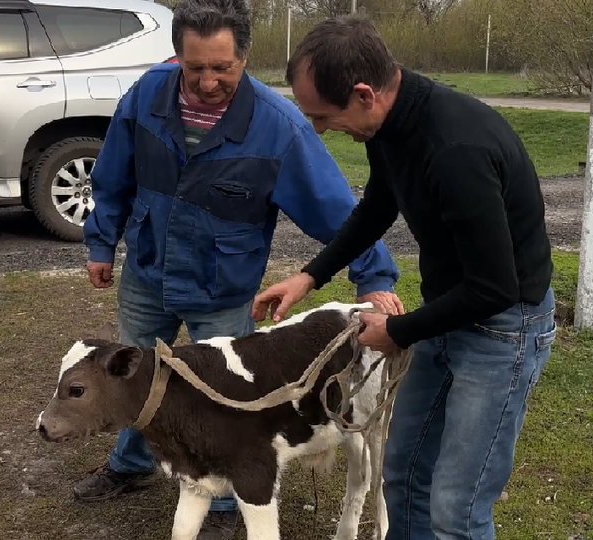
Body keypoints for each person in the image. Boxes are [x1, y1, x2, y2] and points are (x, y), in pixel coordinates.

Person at [79, 2, 404, 538]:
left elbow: (335, 209)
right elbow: (113, 173)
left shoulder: (278, 128)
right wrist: (100, 240)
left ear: (245, 58)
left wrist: (374, 277)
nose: (208, 81)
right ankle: (133, 465)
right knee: (134, 376)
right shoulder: (144, 98)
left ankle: (227, 502)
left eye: (222, 68)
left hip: (221, 286)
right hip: (148, 272)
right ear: (177, 55)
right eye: (195, 67)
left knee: (226, 398)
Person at [252, 16, 557, 540]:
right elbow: (377, 207)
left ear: (365, 93)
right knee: (405, 473)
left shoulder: (456, 152)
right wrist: (309, 277)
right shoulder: (391, 126)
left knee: (457, 508)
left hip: (504, 328)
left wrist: (396, 332)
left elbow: (495, 289)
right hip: (448, 310)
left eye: (324, 116)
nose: (321, 129)